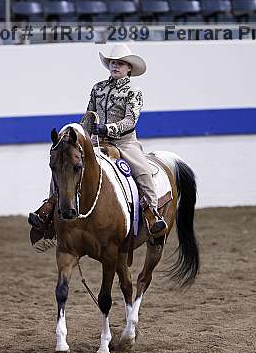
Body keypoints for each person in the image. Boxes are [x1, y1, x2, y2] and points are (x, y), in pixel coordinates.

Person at [28, 44, 168, 240]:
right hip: (95, 141)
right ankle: (49, 207)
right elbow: (88, 115)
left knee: (143, 171)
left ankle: (152, 214)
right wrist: (80, 134)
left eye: (120, 63)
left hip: (124, 142)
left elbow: (130, 120)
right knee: (65, 164)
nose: (115, 66)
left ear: (129, 68)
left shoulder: (134, 92)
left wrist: (107, 128)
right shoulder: (98, 88)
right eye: (112, 63)